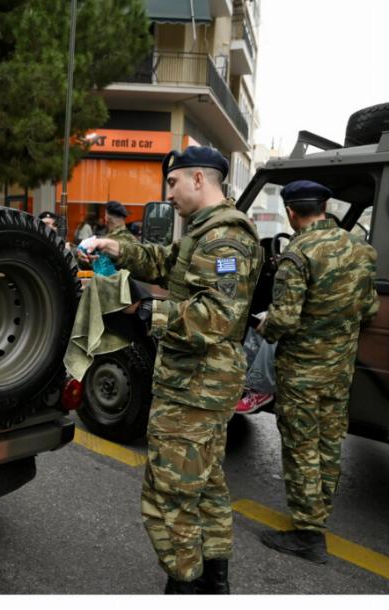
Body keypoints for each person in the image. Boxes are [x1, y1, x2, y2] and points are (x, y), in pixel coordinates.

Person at [81, 146, 261, 594]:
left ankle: (185, 585)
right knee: (207, 484)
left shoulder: (224, 240)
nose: (169, 192)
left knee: (170, 494)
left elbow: (217, 315)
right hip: (201, 383)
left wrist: (149, 314)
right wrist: (116, 248)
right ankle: (213, 581)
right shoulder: (203, 231)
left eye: (174, 182)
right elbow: (164, 262)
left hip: (195, 386)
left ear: (199, 179)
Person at [256, 180, 379, 564]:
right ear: (326, 207)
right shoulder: (361, 250)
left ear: (291, 213)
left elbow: (284, 321)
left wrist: (263, 324)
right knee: (328, 444)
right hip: (339, 370)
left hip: (302, 373)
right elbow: (370, 309)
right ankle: (319, 512)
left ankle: (308, 534)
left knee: (301, 447)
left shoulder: (298, 255)